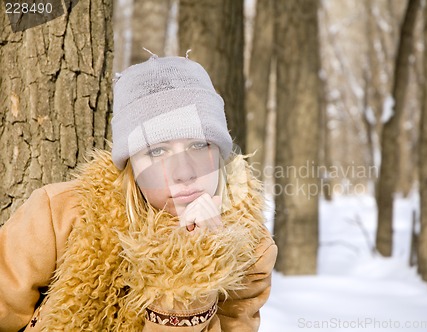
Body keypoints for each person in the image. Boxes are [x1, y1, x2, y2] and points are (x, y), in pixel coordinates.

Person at [0, 54, 277, 331]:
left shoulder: (249, 248)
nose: (183, 171)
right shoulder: (59, 217)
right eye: (157, 151)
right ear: (131, 162)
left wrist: (196, 269)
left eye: (199, 145)